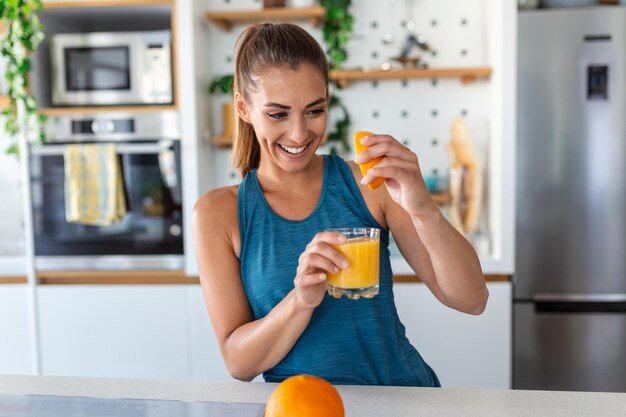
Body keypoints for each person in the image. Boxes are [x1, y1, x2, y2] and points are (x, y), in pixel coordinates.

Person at [192, 22, 488, 387]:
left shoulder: (368, 184)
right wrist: (300, 300)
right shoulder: (217, 214)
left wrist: (421, 207)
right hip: (301, 408)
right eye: (278, 114)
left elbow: (471, 299)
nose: (299, 134)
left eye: (314, 111)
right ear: (243, 107)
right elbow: (239, 362)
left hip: (400, 403)